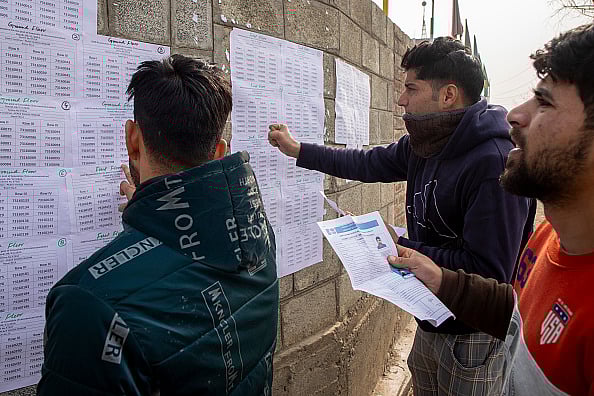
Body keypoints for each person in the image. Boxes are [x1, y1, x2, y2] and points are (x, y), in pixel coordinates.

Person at [269, 37, 535, 395]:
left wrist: (400, 245)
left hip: (470, 335)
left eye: (411, 88)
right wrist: (298, 150)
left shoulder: (492, 162)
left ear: (448, 95)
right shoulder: (426, 142)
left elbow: (490, 273)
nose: (401, 100)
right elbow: (366, 163)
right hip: (427, 313)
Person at [38, 55, 279, 395]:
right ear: (220, 152)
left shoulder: (89, 305)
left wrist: (152, 211)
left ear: (132, 140)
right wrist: (151, 208)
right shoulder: (256, 234)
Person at [389, 23, 594, 396]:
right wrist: (438, 277)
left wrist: (408, 247)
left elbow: (490, 269)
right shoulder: (550, 238)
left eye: (545, 101)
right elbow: (512, 303)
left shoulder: (488, 161)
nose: (514, 114)